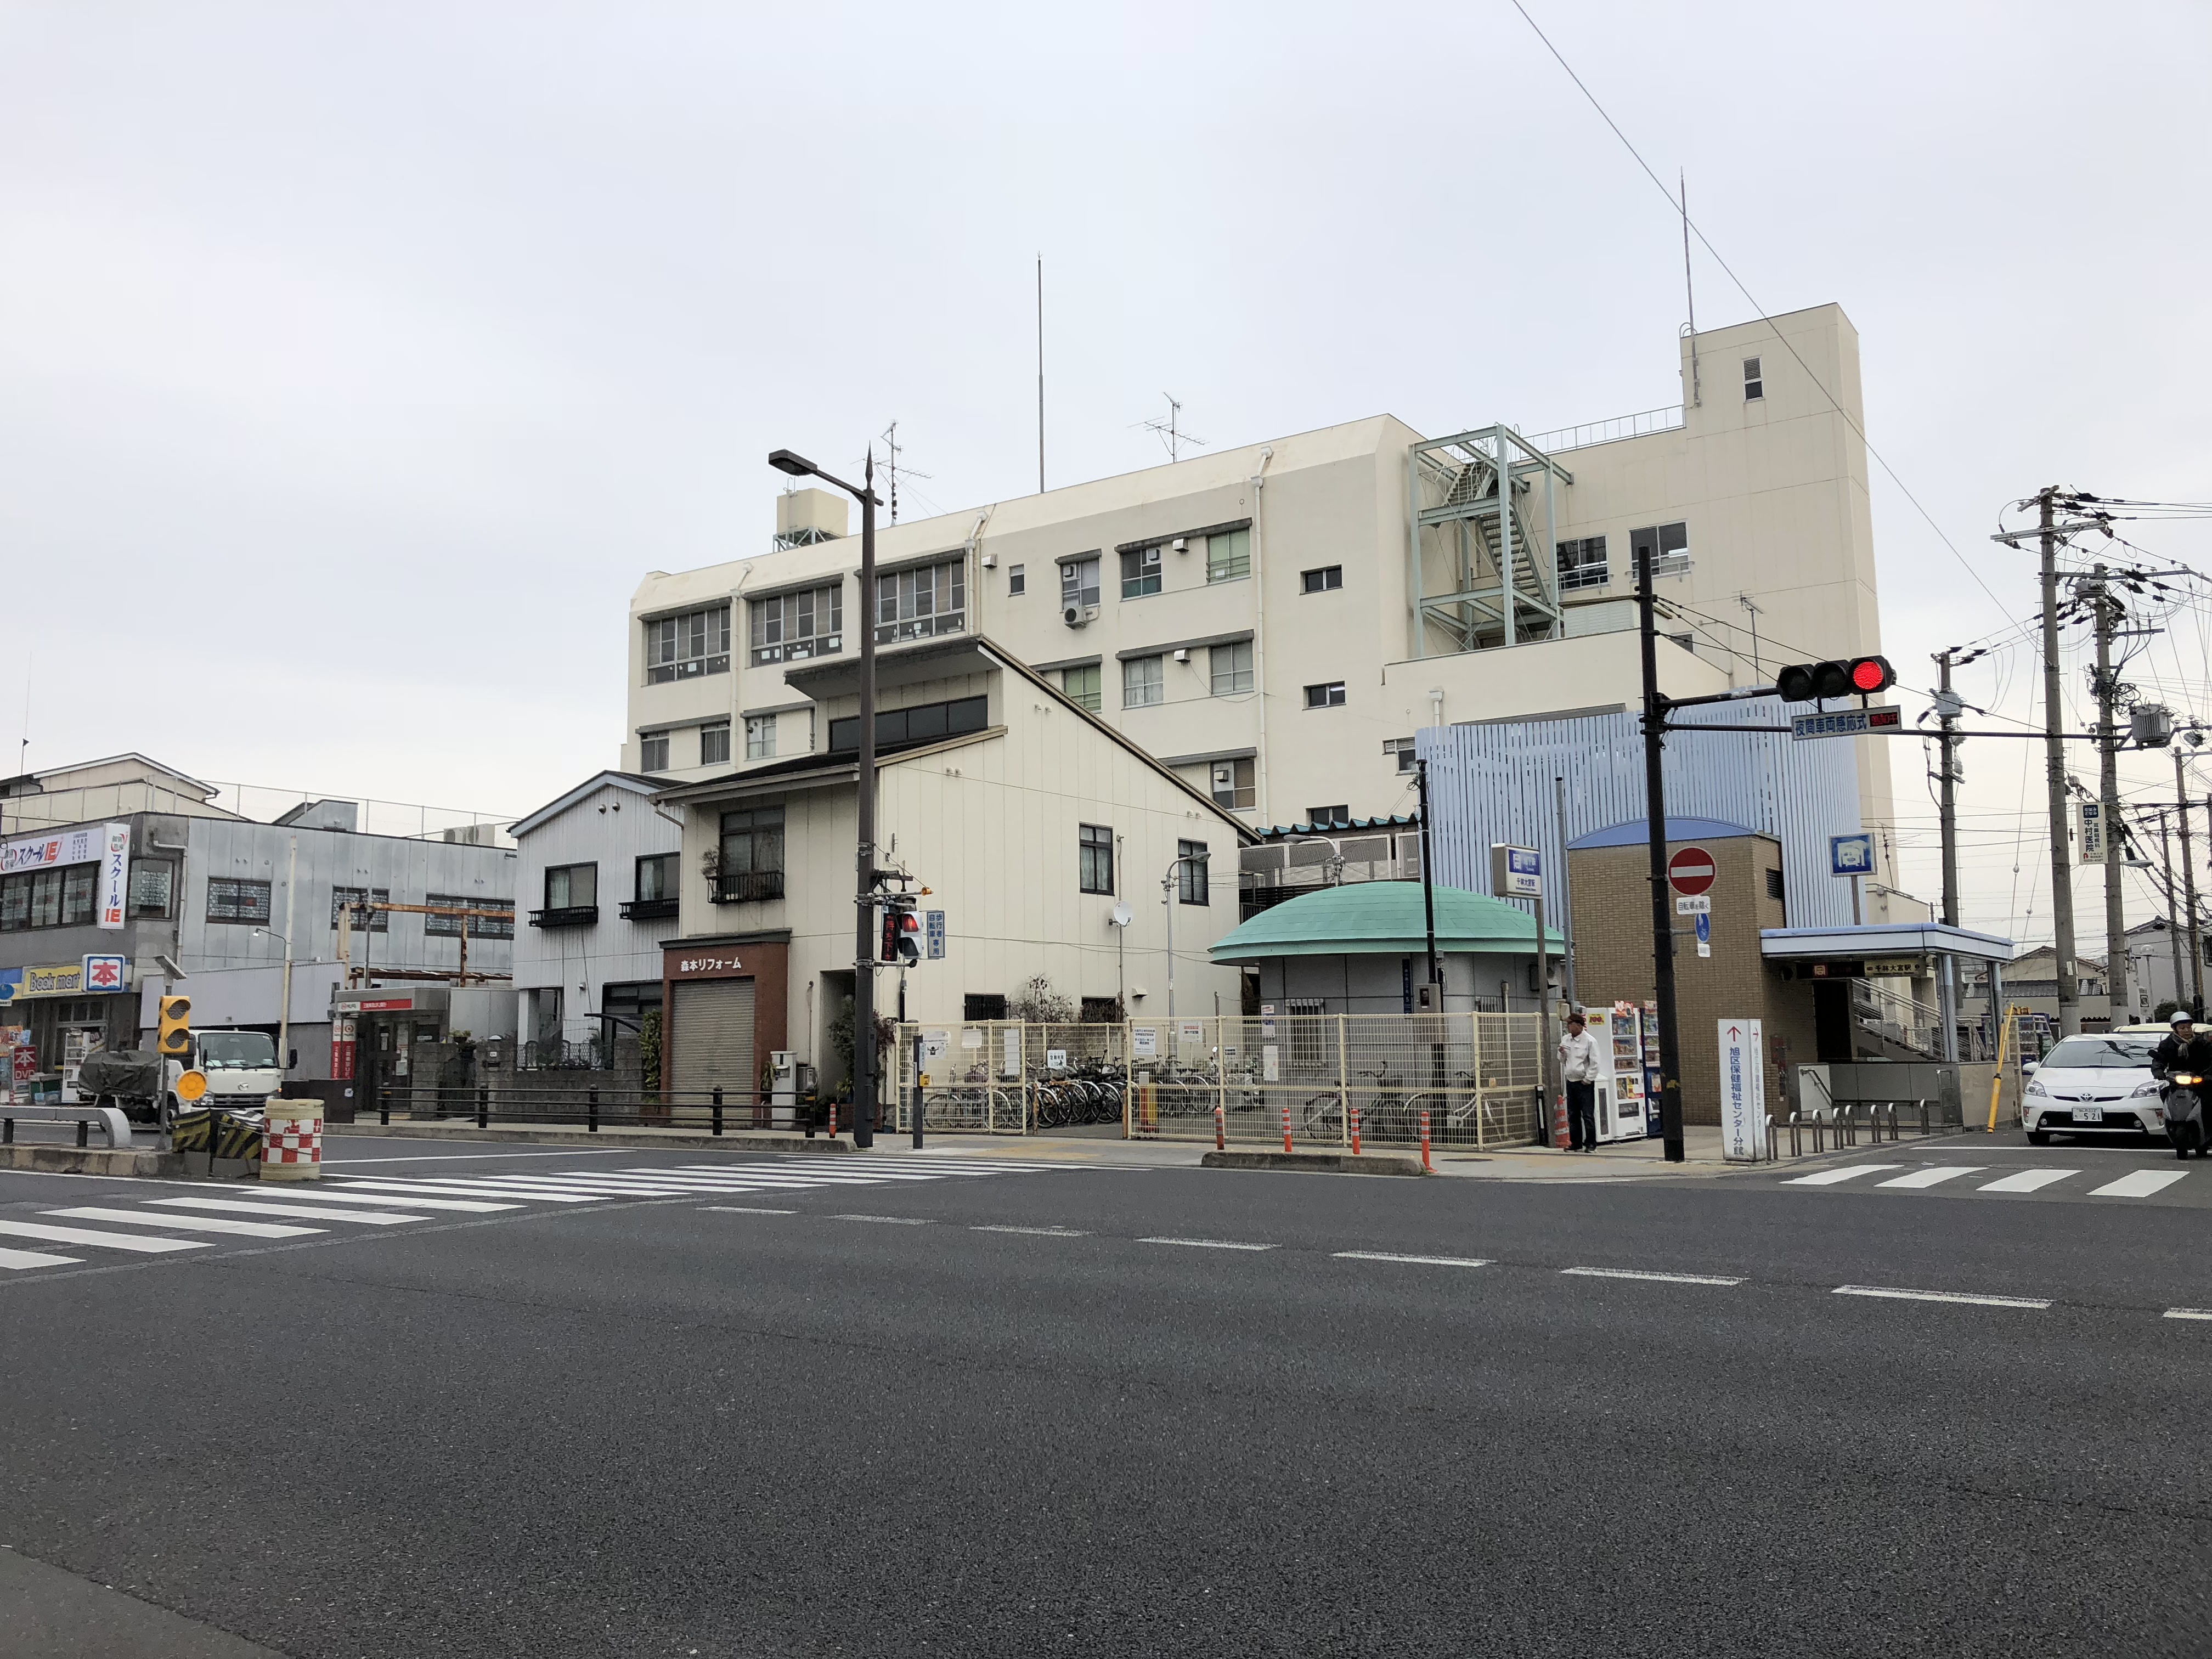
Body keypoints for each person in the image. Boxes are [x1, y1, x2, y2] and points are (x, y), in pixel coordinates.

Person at [1559, 1012, 1601, 1153]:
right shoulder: (1566, 1039)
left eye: (1569, 1024)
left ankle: (1591, 1144)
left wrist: (1588, 1079)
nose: (1568, 1027)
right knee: (1573, 1114)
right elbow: (1562, 1059)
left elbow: (1595, 1062)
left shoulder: (1590, 1041)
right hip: (1571, 1080)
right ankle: (1576, 1142)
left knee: (1587, 1114)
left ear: (1578, 1025)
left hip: (1584, 1082)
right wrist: (1562, 1053)